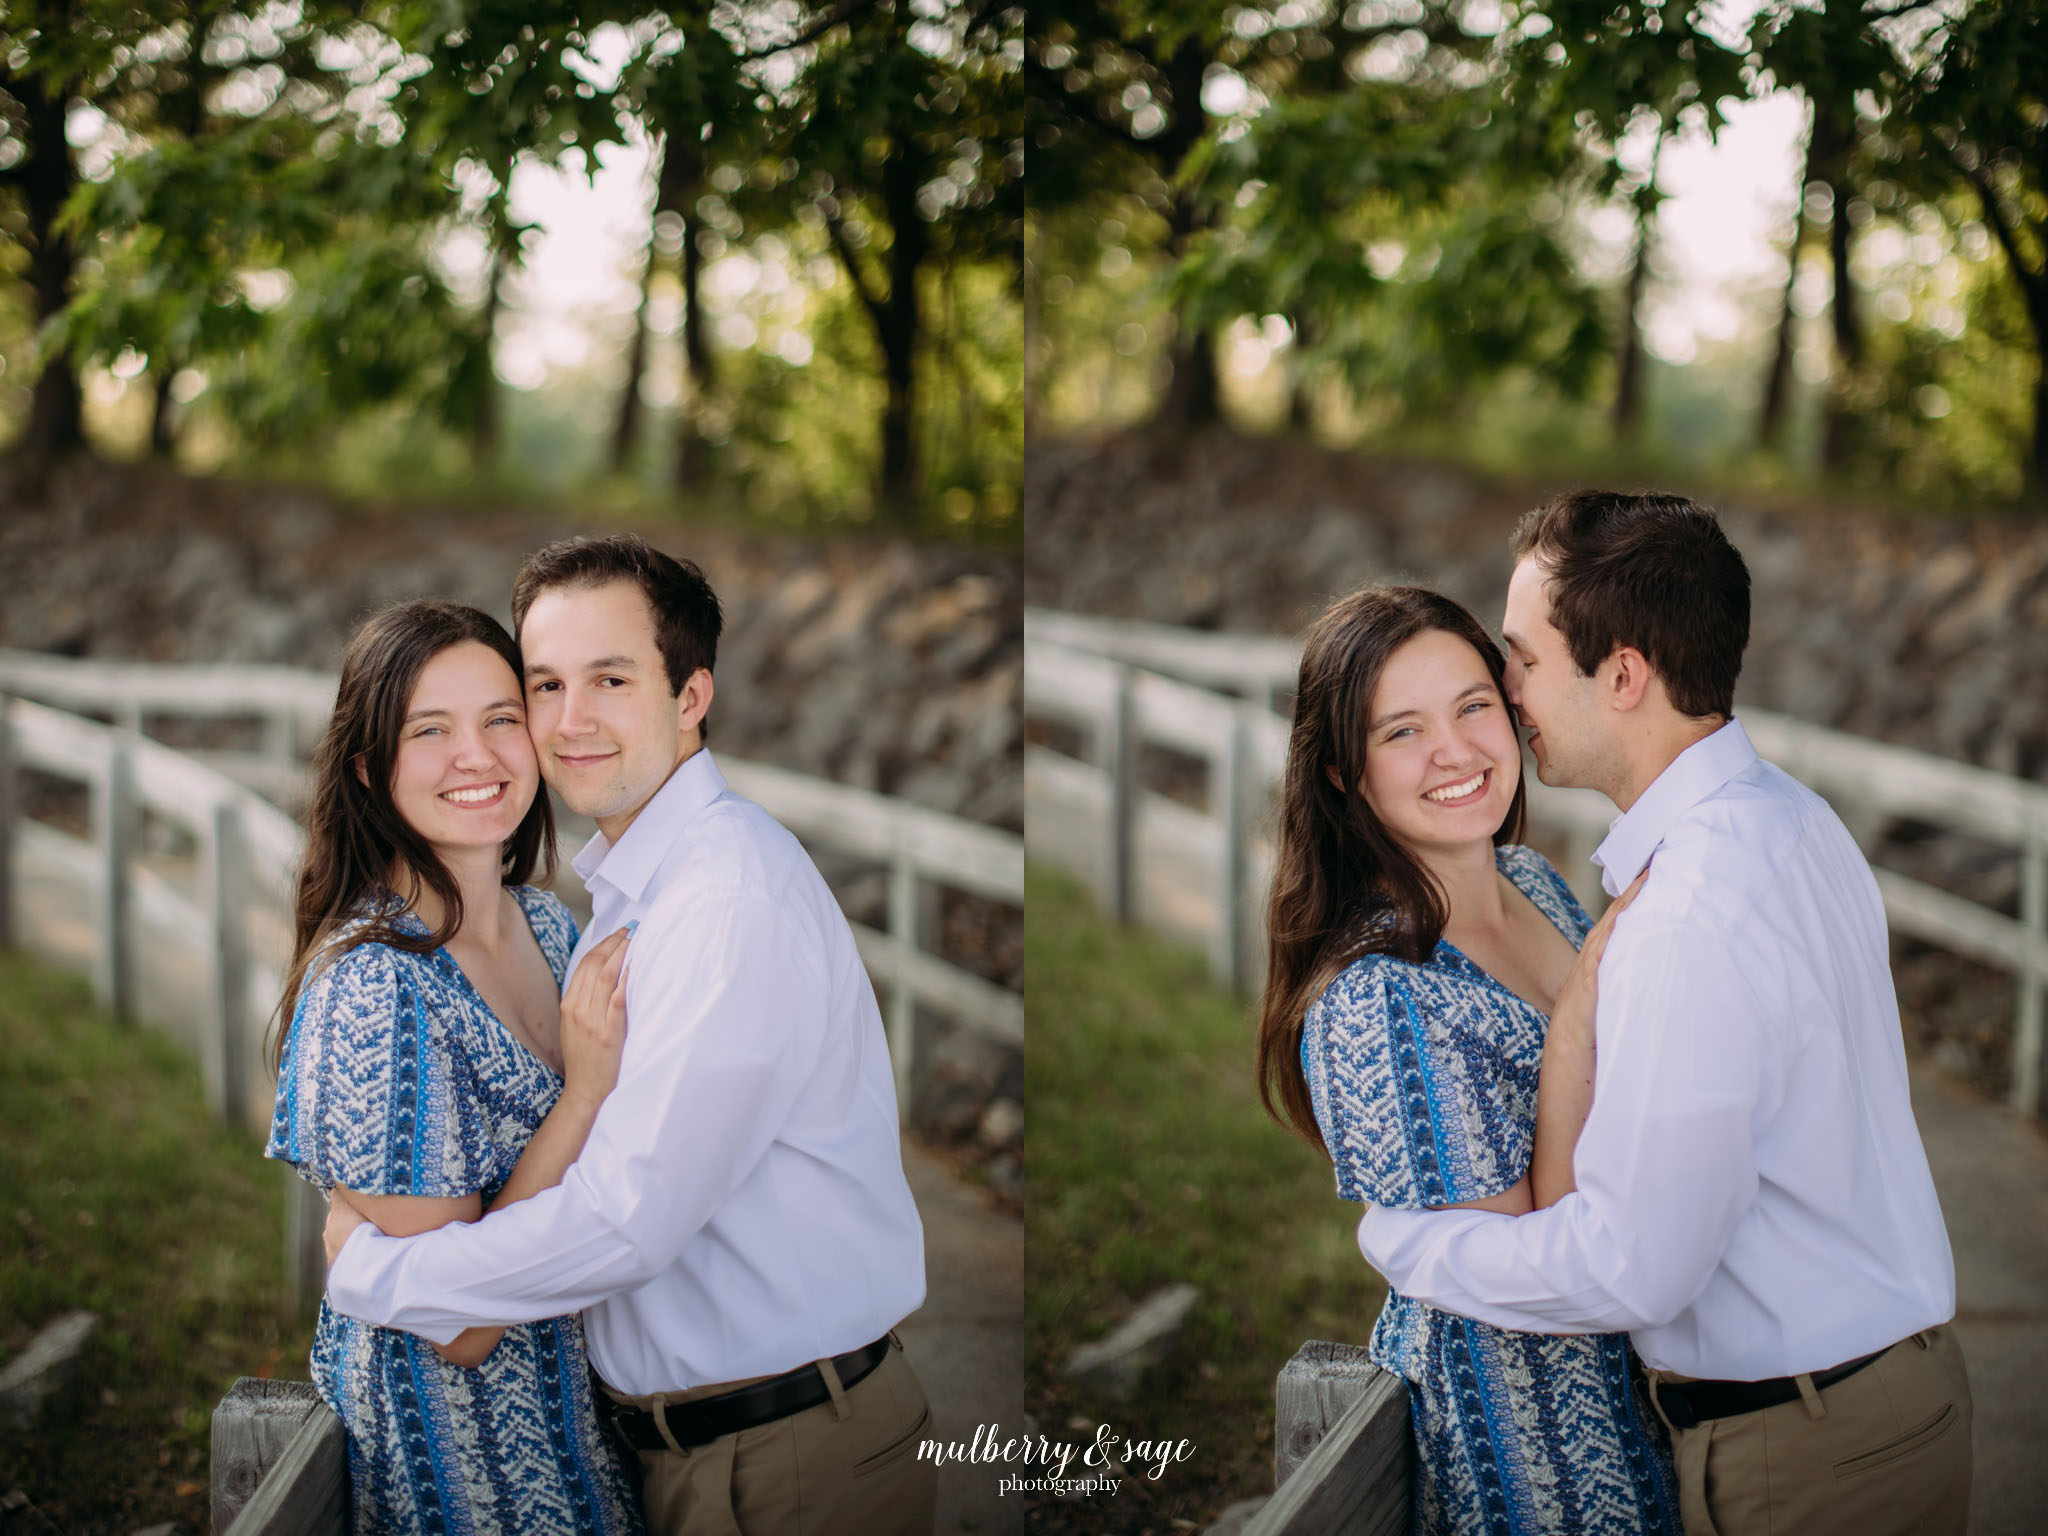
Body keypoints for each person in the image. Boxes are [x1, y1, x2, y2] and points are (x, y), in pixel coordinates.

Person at [1355, 491, 1969, 1536]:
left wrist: (1412, 1247)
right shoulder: (1788, 819)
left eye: (1523, 661)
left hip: (1807, 1452)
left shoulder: (1688, 909)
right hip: (1884, 1401)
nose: (1507, 696)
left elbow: (1631, 1265)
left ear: (1624, 675)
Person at [319, 535, 936, 1536]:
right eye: (545, 684)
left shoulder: (722, 897)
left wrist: (378, 1274)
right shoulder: (628, 888)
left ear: (690, 695)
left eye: (609, 679)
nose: (569, 722)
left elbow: (624, 1219)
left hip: (783, 1463)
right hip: (703, 1452)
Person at [1258, 583, 1681, 1535]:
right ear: (1340, 772)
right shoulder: (1379, 995)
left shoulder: (1532, 880)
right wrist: (1574, 1018)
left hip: (1656, 1404)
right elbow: (1538, 1265)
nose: (1455, 752)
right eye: (1400, 731)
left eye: (1473, 705)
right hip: (1541, 1452)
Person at [265, 599, 643, 1535]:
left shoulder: (554, 929)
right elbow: (462, 1325)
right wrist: (585, 1094)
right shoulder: (374, 988)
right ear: (368, 767)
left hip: (604, 1436)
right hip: (474, 1479)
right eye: (429, 731)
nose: (476, 756)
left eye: (500, 719)